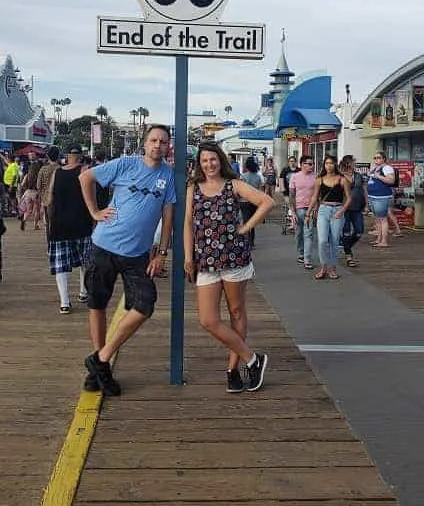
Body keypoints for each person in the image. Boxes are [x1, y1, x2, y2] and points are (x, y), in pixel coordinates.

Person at [80, 124, 175, 396]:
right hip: (104, 246)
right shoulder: (125, 164)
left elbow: (168, 216)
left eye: (163, 141)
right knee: (97, 304)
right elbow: (86, 178)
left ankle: (101, 358)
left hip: (138, 254)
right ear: (145, 143)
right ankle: (100, 368)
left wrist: (162, 252)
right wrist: (95, 211)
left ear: (168, 147)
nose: (158, 145)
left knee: (145, 304)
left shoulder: (168, 176)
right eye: (153, 140)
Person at [184, 141, 274, 393]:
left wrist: (245, 227)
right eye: (204, 160)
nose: (209, 164)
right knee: (208, 319)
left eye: (213, 159)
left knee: (236, 311)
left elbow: (266, 202)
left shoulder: (234, 184)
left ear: (220, 160)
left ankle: (232, 370)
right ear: (198, 164)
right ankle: (253, 359)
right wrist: (188, 257)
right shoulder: (193, 187)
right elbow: (188, 223)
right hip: (205, 261)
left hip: (234, 259)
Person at [46, 145, 93, 314]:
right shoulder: (86, 170)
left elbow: (49, 199)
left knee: (61, 264)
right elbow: (92, 196)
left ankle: (64, 302)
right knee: (85, 261)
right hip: (82, 222)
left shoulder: (57, 172)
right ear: (80, 155)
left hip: (59, 223)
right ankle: (83, 292)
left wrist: (49, 222)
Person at [306, 155, 351, 280]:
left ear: (335, 164)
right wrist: (308, 213)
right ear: (323, 165)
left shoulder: (342, 179)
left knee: (335, 240)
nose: (329, 166)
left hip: (337, 209)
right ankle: (323, 266)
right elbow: (314, 197)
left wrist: (342, 211)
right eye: (326, 163)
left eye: (331, 163)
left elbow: (349, 198)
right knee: (322, 241)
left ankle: (332, 267)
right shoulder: (319, 179)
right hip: (323, 210)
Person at [339, 155, 367, 267]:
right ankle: (349, 256)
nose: (355, 164)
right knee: (345, 232)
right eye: (353, 162)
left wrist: (367, 204)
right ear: (348, 163)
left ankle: (347, 246)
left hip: (357, 208)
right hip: (344, 208)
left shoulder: (359, 176)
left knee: (359, 231)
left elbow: (364, 190)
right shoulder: (340, 176)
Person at [289, 154, 316, 269]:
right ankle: (301, 253)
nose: (312, 166)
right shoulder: (295, 177)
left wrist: (316, 208)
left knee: (308, 234)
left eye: (312, 164)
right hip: (298, 209)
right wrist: (292, 212)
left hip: (310, 209)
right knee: (299, 233)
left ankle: (307, 259)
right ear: (302, 165)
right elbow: (291, 195)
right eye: (309, 164)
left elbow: (318, 195)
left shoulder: (316, 177)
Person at [366, 150, 395, 248]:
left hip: (381, 197)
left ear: (383, 159)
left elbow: (391, 180)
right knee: (377, 219)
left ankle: (384, 241)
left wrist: (378, 176)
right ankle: (378, 239)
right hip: (373, 196)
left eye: (378, 158)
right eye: (375, 158)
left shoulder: (387, 168)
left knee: (383, 219)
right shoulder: (376, 168)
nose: (376, 160)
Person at [37, 146, 61, 232]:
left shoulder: (43, 169)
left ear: (48, 156)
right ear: (58, 156)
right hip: (58, 200)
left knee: (47, 224)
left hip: (45, 199)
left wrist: (41, 196)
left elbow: (38, 185)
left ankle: (49, 242)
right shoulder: (61, 169)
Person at [240, 156, 262, 246]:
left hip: (244, 201)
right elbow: (260, 190)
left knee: (245, 220)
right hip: (254, 201)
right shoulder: (258, 177)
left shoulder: (243, 176)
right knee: (252, 221)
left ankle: (246, 240)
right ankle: (251, 241)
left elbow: (240, 190)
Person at [19, 161, 41, 230]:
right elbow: (39, 186)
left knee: (28, 210)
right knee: (37, 210)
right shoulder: (38, 176)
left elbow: (22, 185)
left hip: (28, 192)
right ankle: (35, 225)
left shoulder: (27, 175)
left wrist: (25, 189)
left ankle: (24, 220)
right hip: (35, 193)